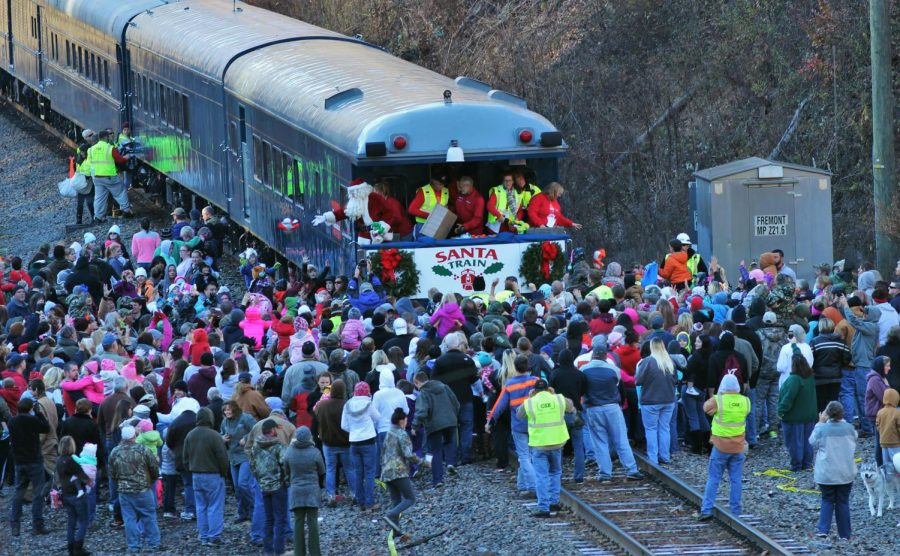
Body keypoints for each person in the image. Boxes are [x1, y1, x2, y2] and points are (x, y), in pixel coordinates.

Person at [581, 335, 643, 481]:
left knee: (599, 441)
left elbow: (582, 390)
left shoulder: (583, 370)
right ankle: (631, 470)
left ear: (593, 355)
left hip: (593, 408)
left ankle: (605, 473)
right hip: (612, 407)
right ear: (605, 355)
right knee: (621, 439)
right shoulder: (613, 370)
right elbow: (620, 389)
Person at [517, 379, 574, 518]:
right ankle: (554, 502)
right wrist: (554, 394)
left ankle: (544, 508)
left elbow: (519, 415)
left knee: (541, 476)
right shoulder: (558, 399)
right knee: (555, 472)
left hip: (539, 444)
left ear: (534, 390)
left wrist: (530, 398)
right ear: (548, 388)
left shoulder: (530, 402)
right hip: (557, 442)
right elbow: (571, 407)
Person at [698, 374, 750, 520]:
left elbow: (705, 408)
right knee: (736, 479)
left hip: (720, 446)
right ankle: (735, 512)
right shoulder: (746, 401)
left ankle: (706, 510)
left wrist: (718, 395)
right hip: (738, 447)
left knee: (714, 478)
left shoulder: (718, 400)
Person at [486, 354, 538, 494]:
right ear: (528, 367)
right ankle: (522, 485)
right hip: (535, 424)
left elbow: (499, 406)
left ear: (514, 368)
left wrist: (490, 421)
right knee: (531, 455)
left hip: (518, 426)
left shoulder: (510, 384)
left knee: (524, 456)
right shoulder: (535, 381)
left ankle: (532, 487)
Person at [109, 425, 161, 553]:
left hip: (124, 491)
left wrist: (120, 482)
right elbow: (154, 468)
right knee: (149, 516)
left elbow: (112, 473)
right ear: (134, 436)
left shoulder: (115, 451)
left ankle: (133, 545)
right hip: (143, 489)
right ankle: (153, 543)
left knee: (129, 519)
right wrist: (152, 480)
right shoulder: (143, 449)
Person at [182, 407, 229, 546]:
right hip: (213, 475)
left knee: (201, 506)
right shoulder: (214, 436)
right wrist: (223, 473)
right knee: (214, 506)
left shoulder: (190, 435)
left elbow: (185, 458)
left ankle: (203, 536)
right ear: (210, 418)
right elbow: (223, 458)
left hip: (196, 475)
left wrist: (190, 470)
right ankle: (214, 536)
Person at [809, 401, 857, 540]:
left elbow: (812, 441)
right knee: (843, 501)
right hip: (845, 472)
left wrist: (820, 423)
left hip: (827, 473)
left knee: (827, 499)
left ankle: (823, 529)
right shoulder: (850, 428)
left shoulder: (822, 429)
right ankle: (845, 533)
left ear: (827, 414)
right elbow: (854, 437)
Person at [430, 332, 478, 464]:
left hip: (447, 401)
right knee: (466, 427)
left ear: (445, 345)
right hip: (465, 398)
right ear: (458, 344)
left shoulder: (440, 361)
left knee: (450, 428)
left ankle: (451, 458)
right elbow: (474, 378)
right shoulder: (467, 359)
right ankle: (466, 455)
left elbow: (433, 380)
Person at [7, 398, 50, 536]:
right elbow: (46, 428)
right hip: (34, 461)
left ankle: (15, 524)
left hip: (19, 461)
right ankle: (37, 525)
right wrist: (39, 413)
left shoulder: (12, 421)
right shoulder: (32, 420)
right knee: (38, 493)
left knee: (19, 492)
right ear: (30, 408)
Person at [412, 371, 459, 488]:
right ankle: (450, 463)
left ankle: (438, 480)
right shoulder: (444, 387)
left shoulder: (423, 393)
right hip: (450, 420)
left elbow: (421, 411)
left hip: (434, 425)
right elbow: (456, 403)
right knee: (449, 442)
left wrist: (414, 426)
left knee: (435, 450)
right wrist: (453, 416)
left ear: (417, 382)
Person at [282, 425, 324, 556]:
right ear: (309, 437)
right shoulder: (315, 452)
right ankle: (315, 552)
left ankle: (299, 552)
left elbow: (286, 470)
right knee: (312, 523)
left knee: (298, 522)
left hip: (296, 490)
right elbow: (322, 470)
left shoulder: (289, 452)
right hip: (312, 490)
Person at [248, 419, 288, 556]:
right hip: (279, 486)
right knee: (280, 520)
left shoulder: (255, 447)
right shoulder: (279, 446)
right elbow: (285, 466)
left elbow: (252, 466)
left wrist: (261, 481)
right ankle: (279, 551)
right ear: (272, 430)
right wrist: (286, 481)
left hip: (264, 487)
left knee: (269, 519)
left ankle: (268, 550)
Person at [381, 407, 423, 534]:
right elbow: (408, 455)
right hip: (398, 471)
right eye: (405, 420)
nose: (406, 422)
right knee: (410, 498)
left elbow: (382, 452)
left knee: (396, 501)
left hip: (386, 471)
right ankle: (390, 515)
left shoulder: (388, 433)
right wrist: (423, 462)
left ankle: (396, 531)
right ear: (401, 421)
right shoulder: (402, 434)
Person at [636, 338, 678, 464]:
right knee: (665, 428)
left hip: (650, 400)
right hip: (669, 400)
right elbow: (676, 379)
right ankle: (665, 456)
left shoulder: (647, 361)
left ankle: (653, 458)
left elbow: (638, 380)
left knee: (651, 429)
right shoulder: (670, 361)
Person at [550, 349, 588, 482]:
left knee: (559, 446)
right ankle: (579, 476)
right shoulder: (580, 375)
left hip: (559, 414)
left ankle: (558, 474)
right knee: (578, 446)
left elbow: (551, 392)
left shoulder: (554, 374)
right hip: (576, 413)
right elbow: (583, 391)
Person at [314, 379, 355, 505]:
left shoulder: (322, 405)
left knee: (330, 469)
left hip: (328, 442)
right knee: (349, 469)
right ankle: (354, 493)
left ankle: (331, 495)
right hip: (345, 442)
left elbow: (316, 416)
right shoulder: (347, 405)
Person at [341, 381, 380, 512]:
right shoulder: (368, 403)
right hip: (368, 441)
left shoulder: (347, 405)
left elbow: (344, 426)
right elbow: (377, 418)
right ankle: (369, 504)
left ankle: (360, 503)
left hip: (354, 442)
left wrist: (354, 429)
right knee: (369, 473)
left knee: (358, 473)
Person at [778, 352, 818, 471]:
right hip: (809, 415)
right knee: (807, 442)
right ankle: (807, 463)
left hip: (794, 417)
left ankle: (796, 465)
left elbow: (788, 398)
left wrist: (780, 411)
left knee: (795, 443)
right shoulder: (809, 377)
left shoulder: (794, 379)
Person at [220, 400, 256, 524]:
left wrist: (246, 438)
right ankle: (242, 512)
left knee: (243, 484)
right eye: (225, 410)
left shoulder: (245, 418)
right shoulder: (224, 421)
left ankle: (253, 509)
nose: (227, 412)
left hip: (245, 455)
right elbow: (221, 433)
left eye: (229, 409)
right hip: (233, 457)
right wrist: (222, 438)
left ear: (234, 409)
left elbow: (256, 430)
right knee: (237, 487)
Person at [86, 128, 133, 221]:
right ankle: (126, 211)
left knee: (99, 198)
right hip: (109, 177)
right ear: (106, 137)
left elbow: (88, 164)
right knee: (120, 192)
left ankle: (98, 217)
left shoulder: (91, 150)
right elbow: (119, 160)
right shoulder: (110, 148)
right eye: (109, 136)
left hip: (97, 178)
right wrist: (127, 157)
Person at [56, 436, 92, 556]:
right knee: (83, 521)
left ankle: (70, 548)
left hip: (66, 494)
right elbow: (81, 474)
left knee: (71, 522)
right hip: (77, 495)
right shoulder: (71, 460)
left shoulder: (59, 460)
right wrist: (90, 481)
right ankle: (78, 548)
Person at [865, 356, 891, 467]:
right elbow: (886, 397)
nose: (889, 368)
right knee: (880, 441)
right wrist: (887, 384)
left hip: (879, 413)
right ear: (881, 366)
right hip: (876, 414)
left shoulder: (878, 378)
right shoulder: (875, 379)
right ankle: (880, 465)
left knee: (881, 440)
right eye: (887, 365)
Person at [408, 173, 450, 238]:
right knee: (423, 247)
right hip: (423, 225)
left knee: (439, 247)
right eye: (439, 184)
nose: (442, 186)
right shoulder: (423, 191)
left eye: (443, 184)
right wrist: (430, 216)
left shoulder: (446, 191)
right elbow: (411, 210)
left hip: (439, 226)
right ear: (433, 181)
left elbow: (446, 205)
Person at [875, 388, 900, 476]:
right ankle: (897, 479)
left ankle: (888, 479)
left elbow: (877, 426)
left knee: (886, 463)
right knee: (896, 462)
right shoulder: (897, 413)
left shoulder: (880, 412)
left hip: (883, 442)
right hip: (895, 443)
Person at [74, 129, 96, 224]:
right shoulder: (79, 161)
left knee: (90, 202)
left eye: (83, 153)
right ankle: (79, 220)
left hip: (89, 183)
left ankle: (93, 218)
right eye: (81, 153)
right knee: (80, 204)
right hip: (82, 183)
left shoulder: (88, 160)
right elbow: (77, 170)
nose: (82, 154)